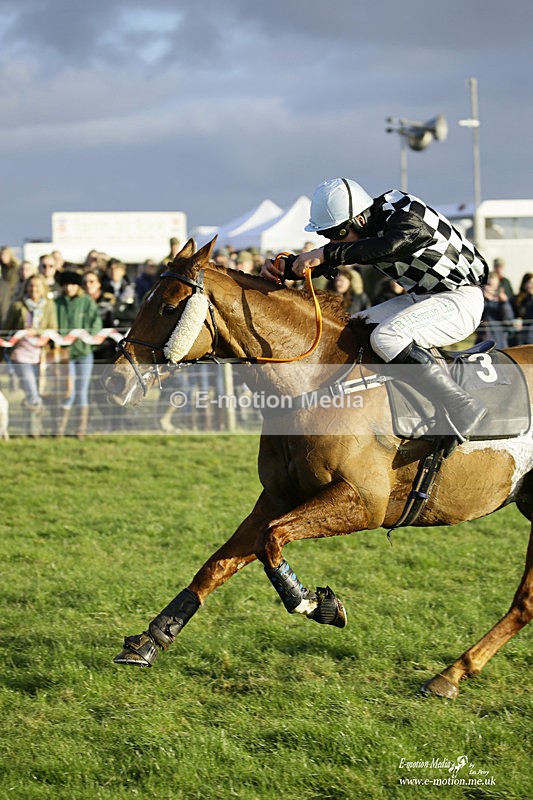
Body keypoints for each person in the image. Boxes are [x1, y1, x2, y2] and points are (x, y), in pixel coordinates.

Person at [261, 177, 490, 441]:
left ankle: (463, 406)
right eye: (326, 235)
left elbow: (389, 246)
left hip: (460, 300)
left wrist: (326, 254)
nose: (332, 242)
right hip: (423, 299)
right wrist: (288, 267)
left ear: (359, 220)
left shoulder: (405, 212)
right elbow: (346, 252)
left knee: (387, 338)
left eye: (336, 234)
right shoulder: (368, 224)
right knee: (349, 329)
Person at [5, 274, 57, 433]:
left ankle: (30, 426)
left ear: (43, 288)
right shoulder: (18, 305)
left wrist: (38, 332)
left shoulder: (49, 305)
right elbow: (7, 328)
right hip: (21, 354)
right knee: (32, 392)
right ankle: (36, 429)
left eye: (37, 286)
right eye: (31, 286)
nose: (33, 289)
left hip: (40, 355)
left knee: (34, 392)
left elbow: (53, 328)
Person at [55, 270, 102, 437]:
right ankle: (60, 428)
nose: (69, 288)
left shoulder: (87, 302)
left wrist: (88, 339)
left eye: (72, 284)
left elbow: (95, 322)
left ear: (78, 286)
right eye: (65, 284)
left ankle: (80, 429)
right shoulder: (57, 303)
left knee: (82, 391)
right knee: (69, 390)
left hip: (84, 352)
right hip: (65, 354)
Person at [475, 271, 516, 349]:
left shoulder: (501, 301)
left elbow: (508, 319)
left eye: (492, 285)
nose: (489, 288)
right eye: (487, 285)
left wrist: (504, 303)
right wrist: (484, 300)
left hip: (500, 342)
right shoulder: (479, 300)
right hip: (483, 341)